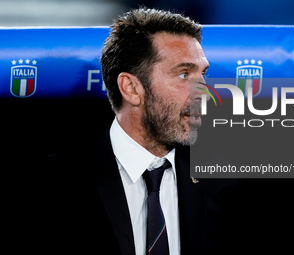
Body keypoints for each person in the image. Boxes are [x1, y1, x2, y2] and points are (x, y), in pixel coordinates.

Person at [26, 7, 238, 255]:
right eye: (183, 74)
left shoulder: (225, 180)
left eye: (203, 74)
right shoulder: (48, 185)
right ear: (131, 88)